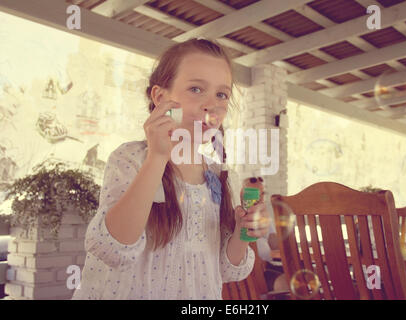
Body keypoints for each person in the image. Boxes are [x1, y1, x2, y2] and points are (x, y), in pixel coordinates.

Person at [72, 38, 271, 300]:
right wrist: (157, 157)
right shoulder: (131, 159)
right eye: (196, 89)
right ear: (160, 97)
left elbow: (227, 269)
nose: (210, 104)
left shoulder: (220, 175)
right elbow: (113, 249)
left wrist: (242, 233)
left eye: (221, 94)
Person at [241, 177, 289, 292]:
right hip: (252, 272)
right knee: (286, 283)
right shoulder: (240, 215)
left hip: (268, 266)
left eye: (262, 193)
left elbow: (275, 245)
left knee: (297, 275)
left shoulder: (263, 216)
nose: (260, 198)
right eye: (253, 194)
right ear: (243, 194)